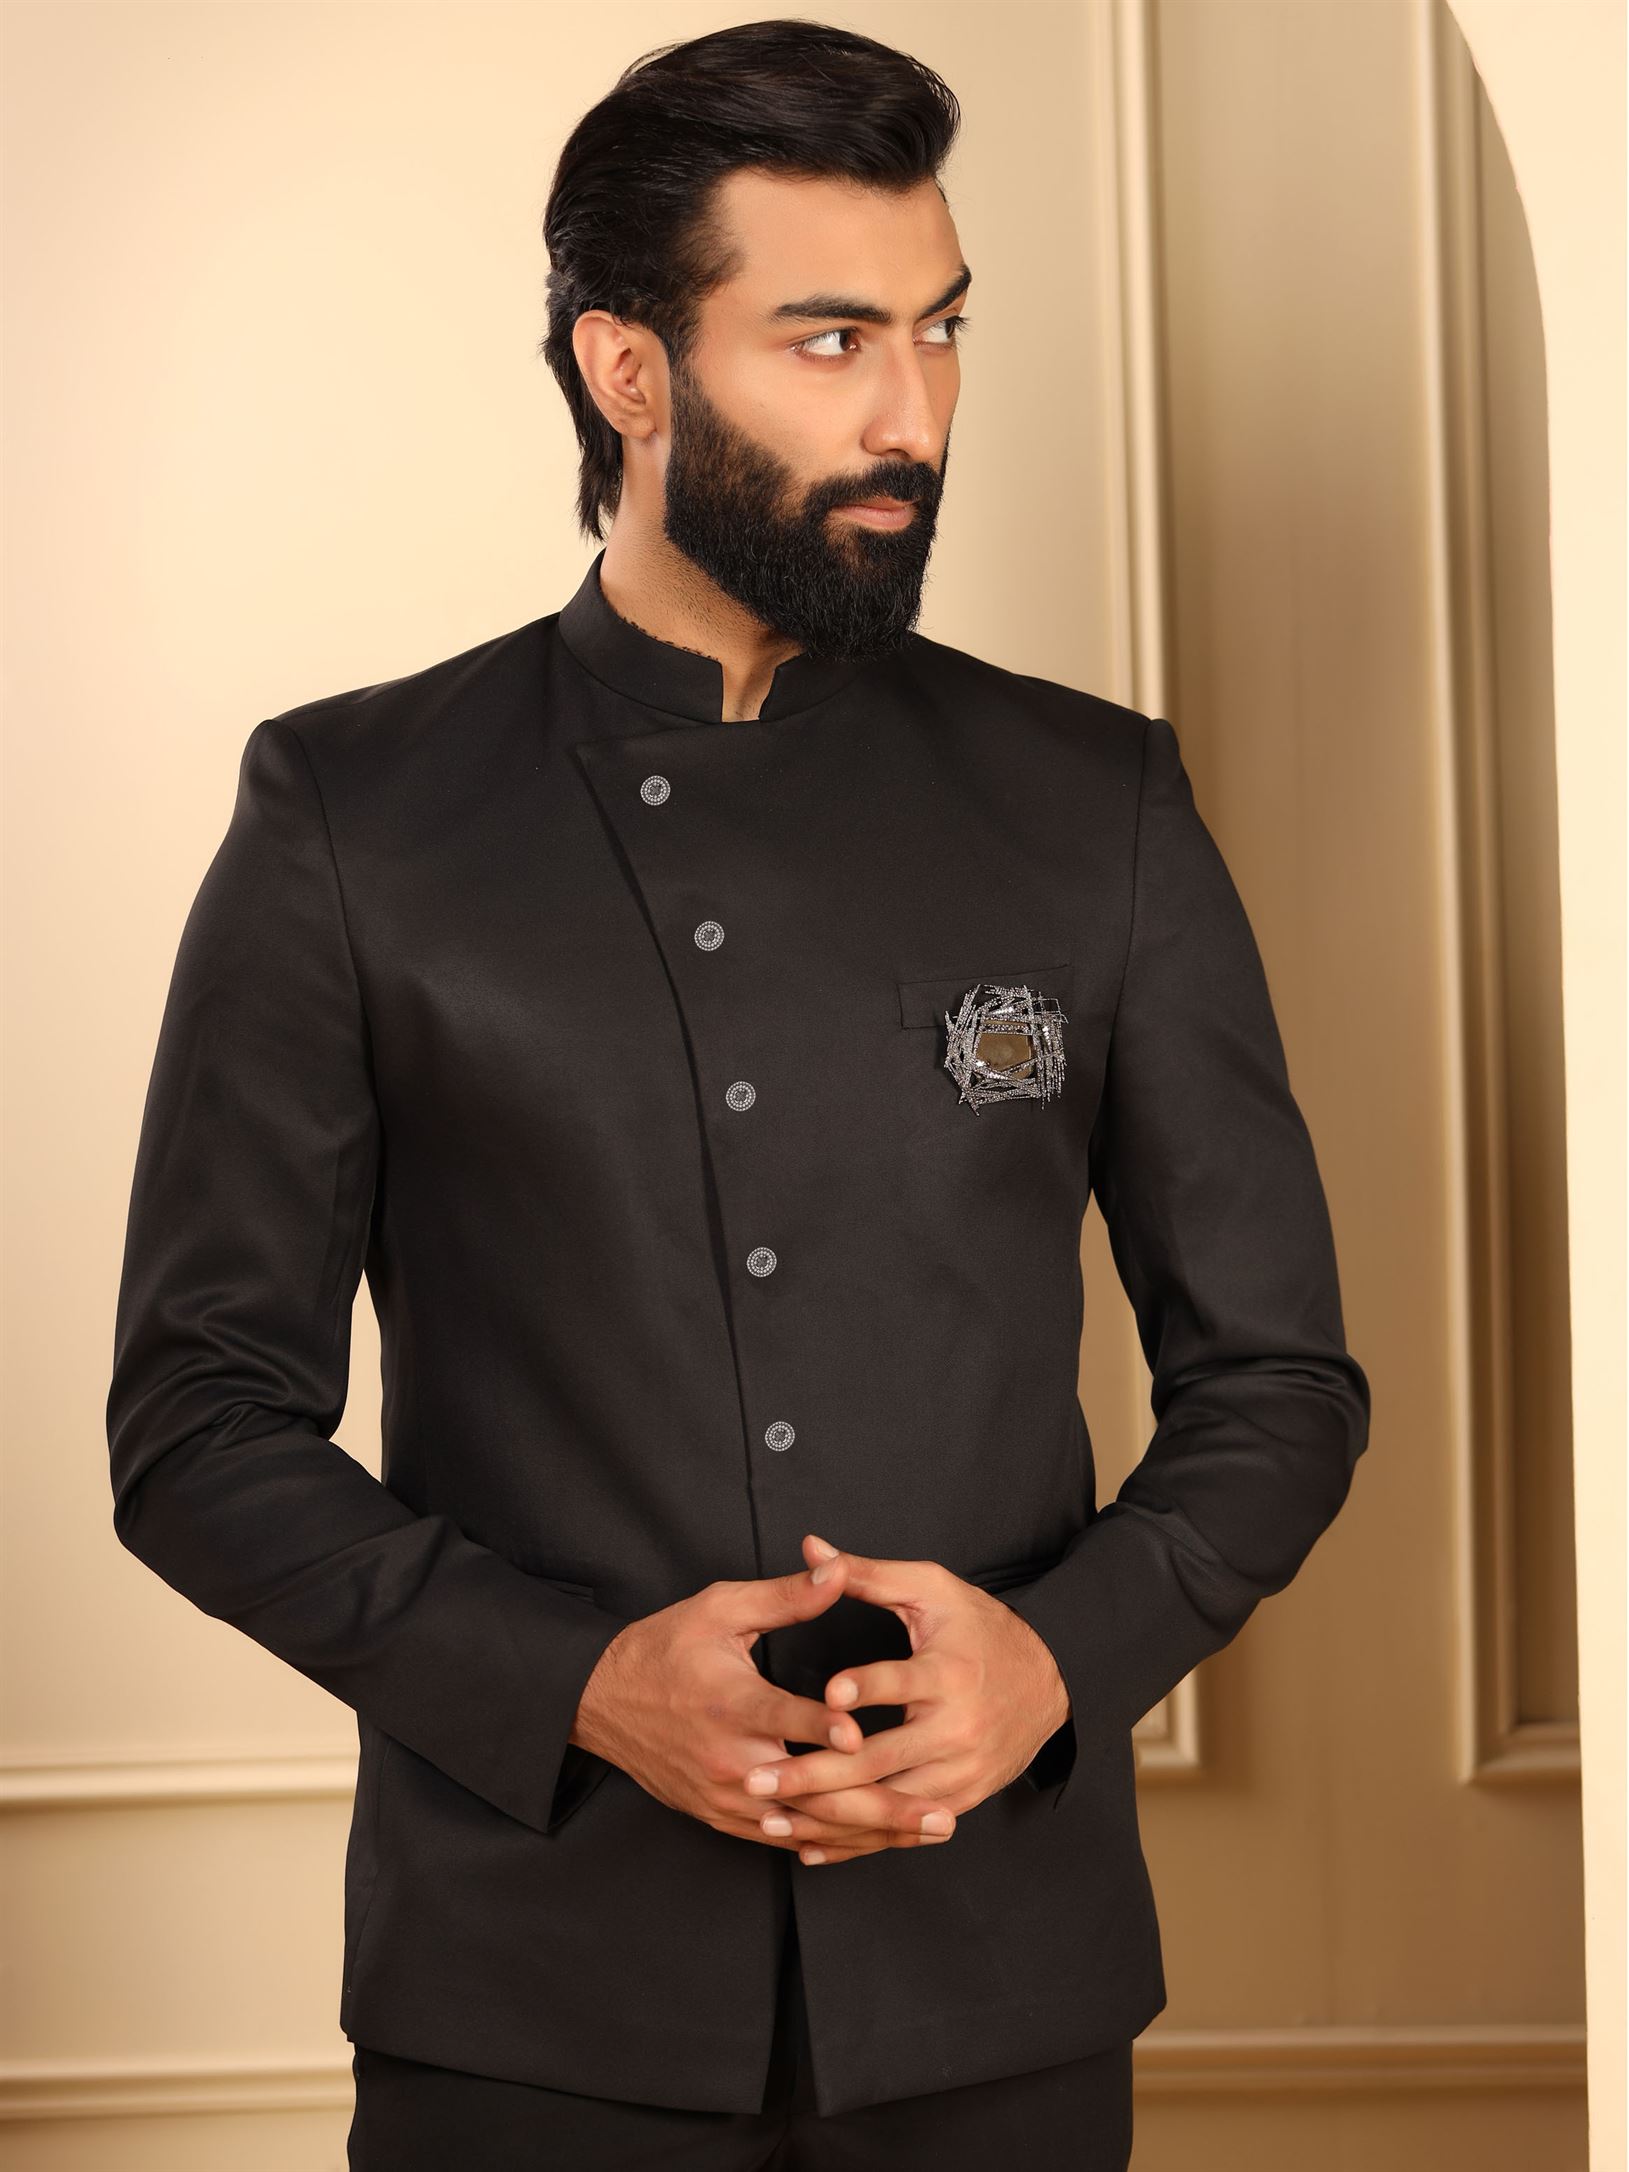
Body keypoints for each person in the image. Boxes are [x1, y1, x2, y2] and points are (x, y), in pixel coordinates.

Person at [105, 18, 1371, 2167]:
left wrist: (1054, 1659)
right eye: (828, 340)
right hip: (528, 2002)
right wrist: (579, 1684)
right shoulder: (352, 814)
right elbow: (198, 1424)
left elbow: (1277, 1381)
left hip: (997, 1991)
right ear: (626, 370)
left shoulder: (1094, 804)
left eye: (939, 331)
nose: (910, 417)